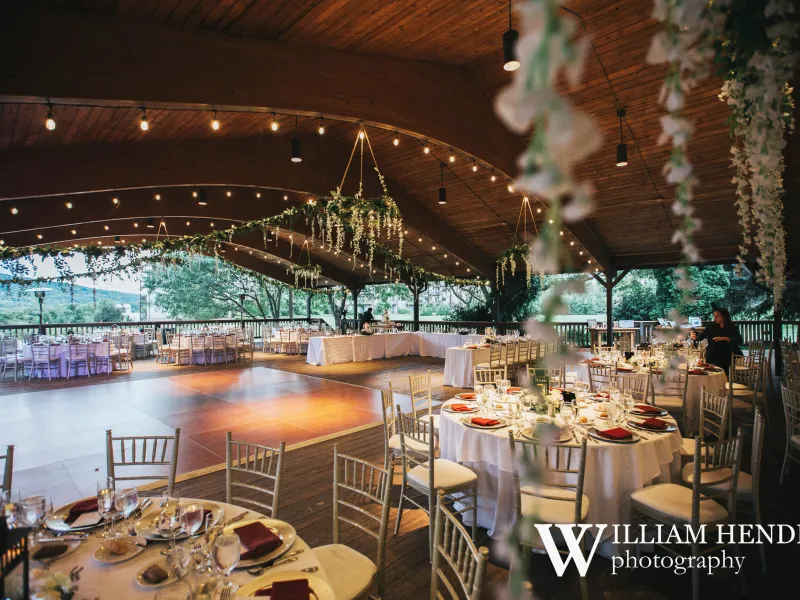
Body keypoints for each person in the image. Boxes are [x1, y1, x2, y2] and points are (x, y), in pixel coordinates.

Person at [690, 307, 742, 374]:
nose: (715, 318)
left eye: (717, 316)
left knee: (725, 374)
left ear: (724, 316)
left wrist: (725, 338)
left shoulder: (732, 327)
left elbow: (739, 340)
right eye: (714, 316)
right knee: (712, 373)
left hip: (727, 355)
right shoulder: (711, 327)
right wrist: (695, 337)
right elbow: (700, 337)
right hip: (713, 355)